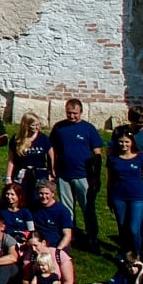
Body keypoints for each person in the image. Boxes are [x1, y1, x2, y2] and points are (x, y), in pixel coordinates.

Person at [51, 99, 104, 250]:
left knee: (87, 208)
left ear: (81, 112)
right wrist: (53, 168)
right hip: (64, 175)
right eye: (69, 113)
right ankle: (70, 236)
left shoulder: (88, 129)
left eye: (75, 113)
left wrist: (95, 176)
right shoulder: (59, 128)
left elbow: (97, 153)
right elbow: (52, 149)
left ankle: (92, 237)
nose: (72, 116)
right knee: (67, 210)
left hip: (83, 175)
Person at [105, 128, 143, 256]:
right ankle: (125, 251)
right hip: (118, 197)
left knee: (133, 229)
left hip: (137, 197)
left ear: (132, 142)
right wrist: (109, 197)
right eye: (121, 142)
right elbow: (110, 179)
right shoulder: (113, 158)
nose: (124, 145)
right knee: (122, 226)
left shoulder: (141, 157)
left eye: (127, 142)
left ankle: (137, 253)